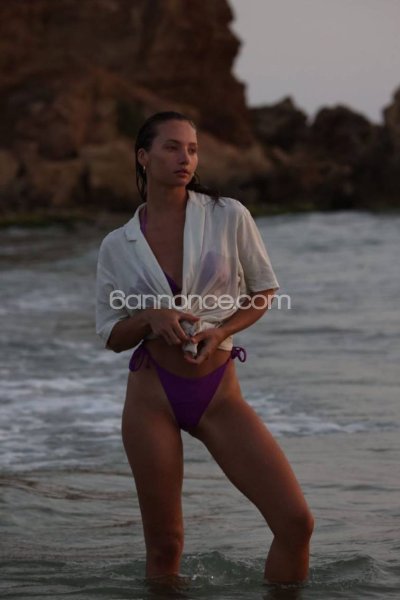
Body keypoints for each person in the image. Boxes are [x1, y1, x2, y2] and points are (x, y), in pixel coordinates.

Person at [95, 111, 314, 586]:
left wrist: (221, 331)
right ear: (143, 157)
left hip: (219, 394)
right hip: (151, 399)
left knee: (296, 523)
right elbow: (110, 333)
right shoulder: (117, 245)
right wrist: (149, 318)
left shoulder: (228, 216)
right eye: (172, 147)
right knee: (166, 546)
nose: (186, 158)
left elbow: (263, 292)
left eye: (192, 149)